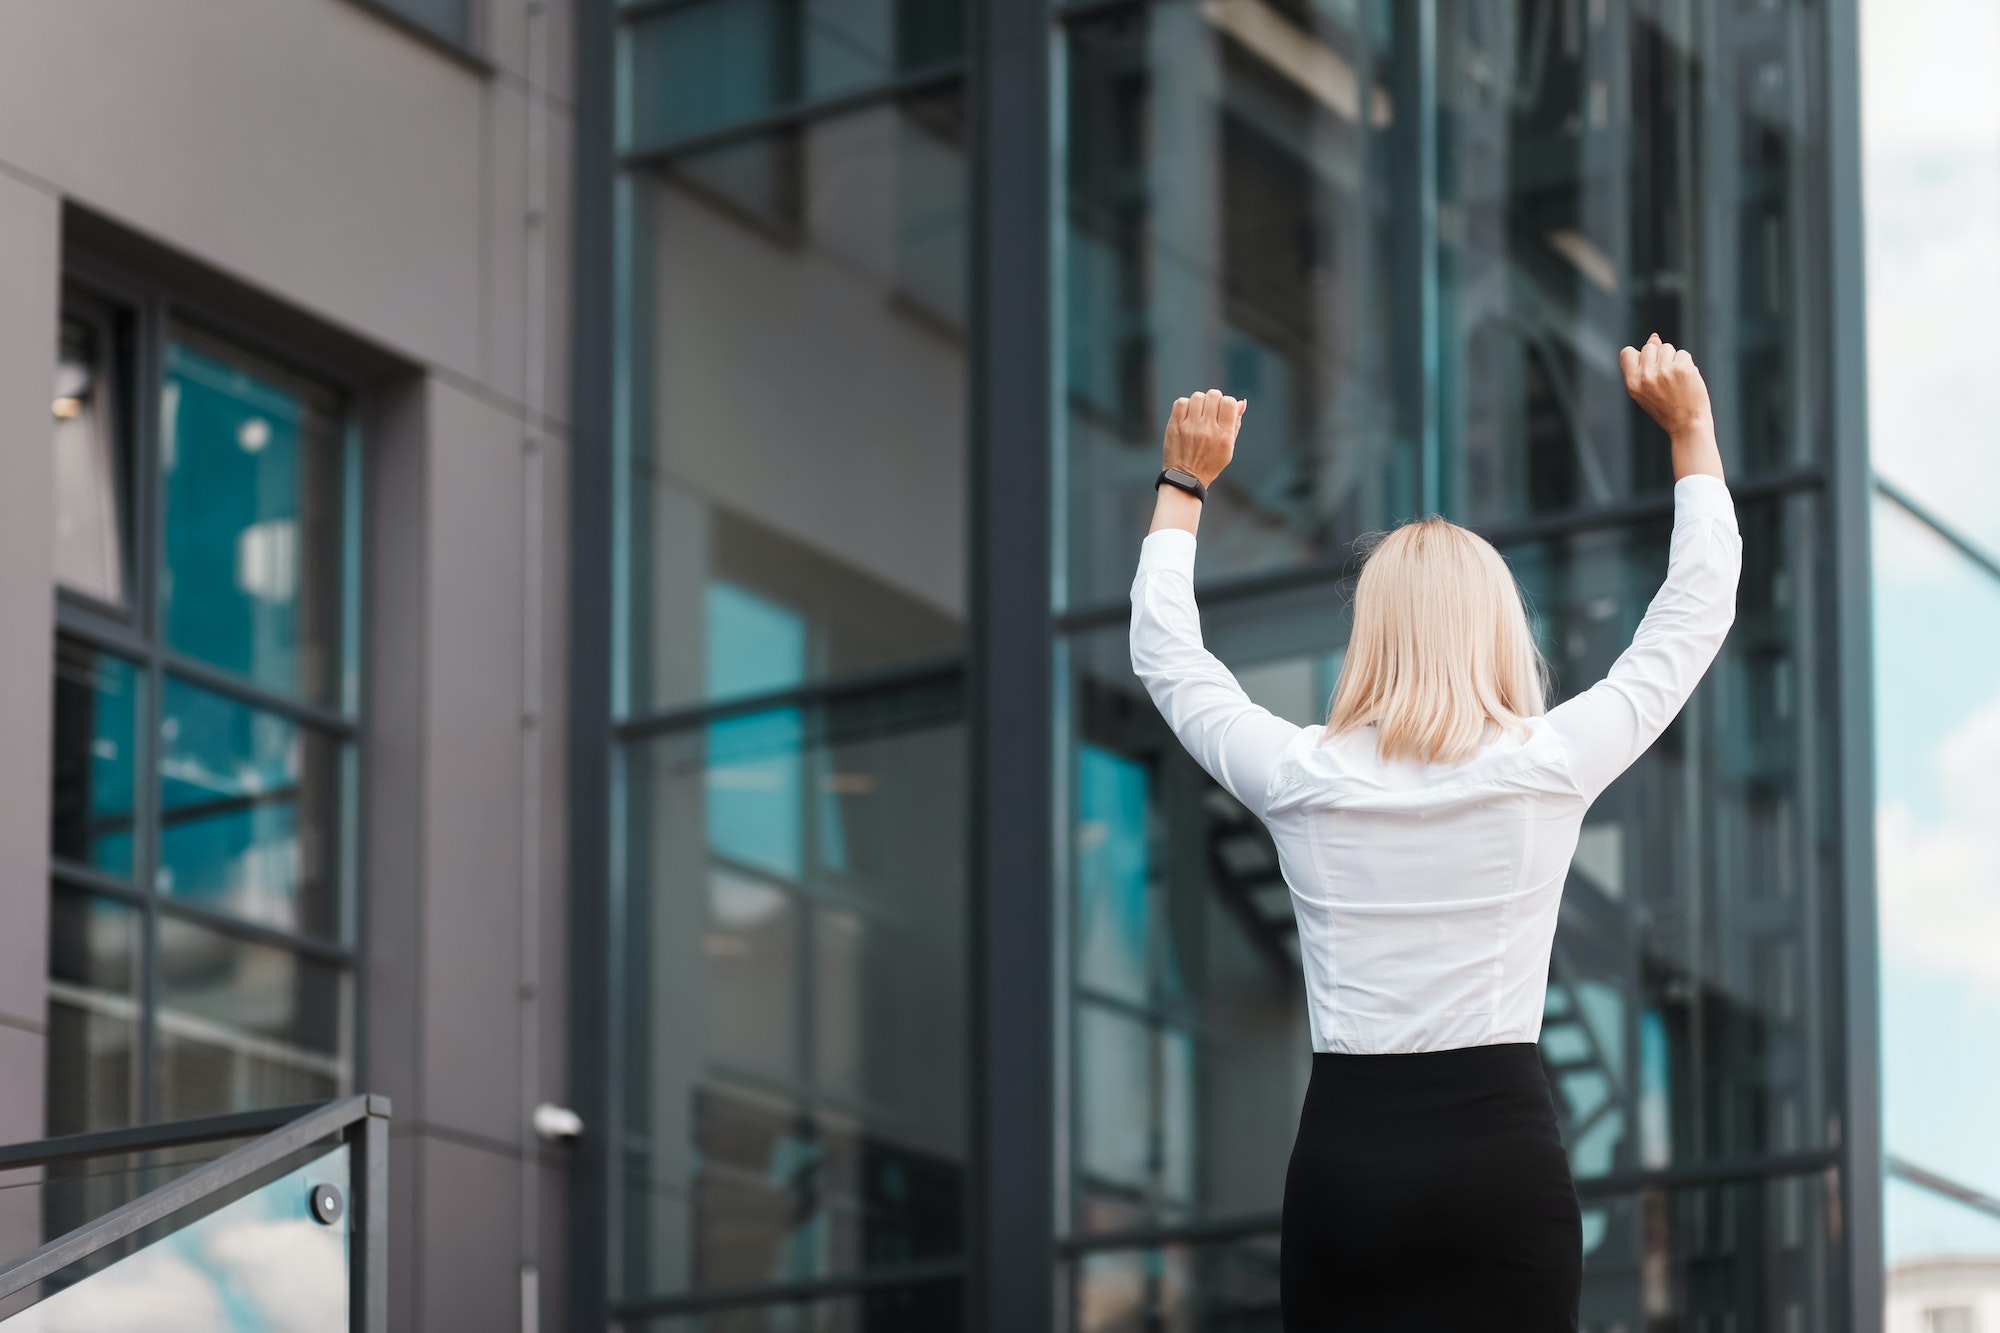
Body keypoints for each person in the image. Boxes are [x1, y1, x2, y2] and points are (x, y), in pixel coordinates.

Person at [1129, 335, 1739, 1330]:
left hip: (1346, 1162)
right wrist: (1690, 434)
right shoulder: (1545, 764)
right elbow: (1693, 610)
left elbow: (1164, 653)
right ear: (1496, 627)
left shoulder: (1300, 776)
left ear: (1368, 631)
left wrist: (1182, 486)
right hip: (1500, 1160)